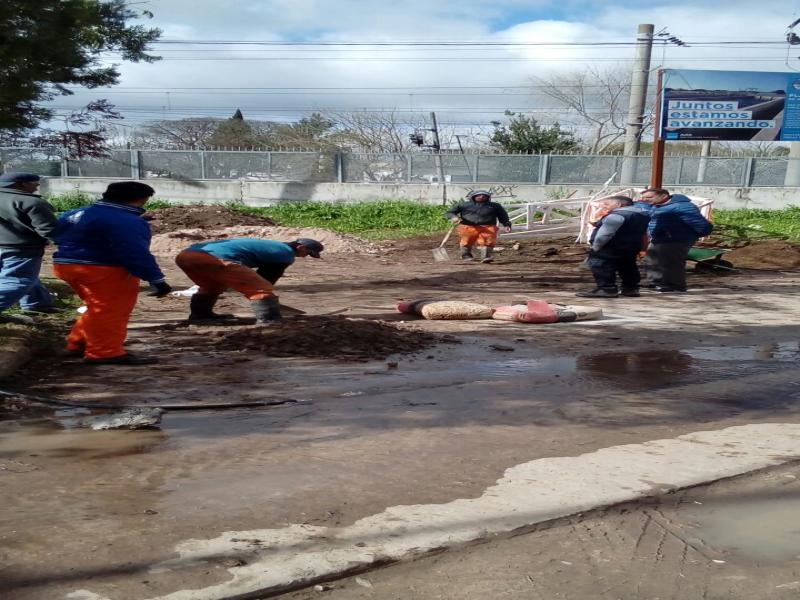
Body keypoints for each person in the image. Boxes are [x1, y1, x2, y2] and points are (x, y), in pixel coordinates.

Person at [53, 182, 172, 365]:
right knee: (110, 312)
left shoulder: (75, 213)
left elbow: (56, 234)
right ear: (141, 199)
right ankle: (104, 352)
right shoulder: (126, 220)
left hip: (66, 264)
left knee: (96, 307)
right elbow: (134, 251)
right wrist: (155, 278)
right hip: (103, 269)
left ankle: (78, 343)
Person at [174, 237, 324, 323]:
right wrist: (262, 297)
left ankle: (200, 316)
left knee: (212, 286)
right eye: (308, 253)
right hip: (214, 258)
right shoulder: (285, 253)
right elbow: (267, 277)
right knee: (261, 289)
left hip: (187, 256)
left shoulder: (273, 246)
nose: (306, 257)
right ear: (301, 247)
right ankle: (270, 322)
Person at [0, 172, 60, 320]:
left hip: (4, 244)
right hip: (20, 247)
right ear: (21, 184)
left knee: (26, 274)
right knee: (18, 279)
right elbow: (49, 230)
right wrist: (66, 245)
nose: (38, 185)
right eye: (34, 182)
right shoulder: (32, 202)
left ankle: (37, 304)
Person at [640, 188, 713, 293]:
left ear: (664, 196)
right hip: (659, 238)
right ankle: (657, 283)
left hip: (676, 239)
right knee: (653, 260)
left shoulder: (682, 206)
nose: (646, 200)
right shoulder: (656, 206)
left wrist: (695, 235)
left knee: (673, 263)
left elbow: (699, 224)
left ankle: (676, 286)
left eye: (649, 197)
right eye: (644, 198)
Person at [576, 196, 651, 298]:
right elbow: (644, 233)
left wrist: (595, 247)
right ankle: (631, 288)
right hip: (632, 246)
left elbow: (605, 234)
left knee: (601, 266)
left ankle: (606, 289)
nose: (603, 206)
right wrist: (643, 247)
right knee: (628, 266)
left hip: (611, 246)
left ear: (619, 205)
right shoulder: (642, 215)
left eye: (607, 204)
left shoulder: (616, 216)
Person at [445, 190, 512, 263]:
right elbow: (449, 212)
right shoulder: (463, 205)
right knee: (466, 241)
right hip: (468, 227)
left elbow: (503, 216)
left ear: (488, 197)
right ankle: (466, 255)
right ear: (473, 197)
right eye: (479, 195)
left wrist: (506, 224)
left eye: (484, 195)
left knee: (488, 241)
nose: (482, 196)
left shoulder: (495, 206)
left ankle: (486, 257)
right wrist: (453, 217)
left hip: (488, 227)